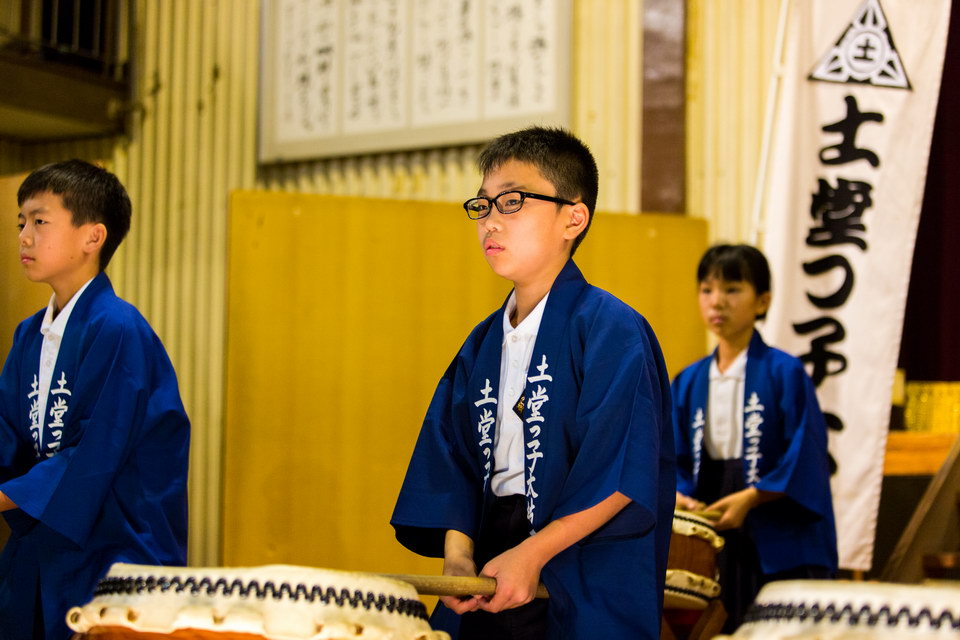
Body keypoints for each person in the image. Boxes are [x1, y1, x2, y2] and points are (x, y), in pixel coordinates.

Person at [391, 127, 676, 640]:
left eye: (512, 201)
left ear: (573, 218)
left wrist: (533, 553)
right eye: (483, 205)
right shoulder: (481, 343)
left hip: (578, 556)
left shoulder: (611, 328)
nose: (491, 221)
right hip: (490, 554)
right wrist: (458, 557)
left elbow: (621, 471)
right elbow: (452, 462)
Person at [0, 160, 190, 639]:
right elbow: (8, 437)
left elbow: (92, 456)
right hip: (44, 550)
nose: (24, 237)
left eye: (40, 221)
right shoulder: (29, 335)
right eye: (21, 223)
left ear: (93, 236)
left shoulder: (119, 328)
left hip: (116, 553)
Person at [671, 244, 837, 631]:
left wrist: (753, 497)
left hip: (773, 515)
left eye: (732, 289)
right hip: (715, 512)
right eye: (707, 290)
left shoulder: (785, 372)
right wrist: (681, 495)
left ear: (762, 301)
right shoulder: (689, 380)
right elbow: (670, 456)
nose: (717, 302)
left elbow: (806, 452)